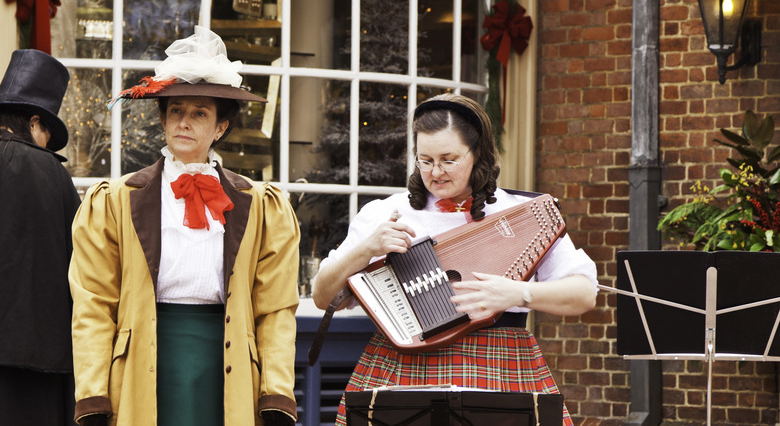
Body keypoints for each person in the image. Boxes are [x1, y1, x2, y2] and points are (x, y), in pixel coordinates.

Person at [312, 93, 598, 426]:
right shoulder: (383, 214)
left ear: (478, 154)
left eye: (449, 159)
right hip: (404, 364)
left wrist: (517, 294)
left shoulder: (520, 215)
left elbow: (584, 294)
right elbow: (322, 297)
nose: (435, 172)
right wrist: (366, 249)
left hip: (499, 362)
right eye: (425, 160)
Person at [69, 27, 300, 426]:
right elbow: (93, 303)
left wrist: (276, 391)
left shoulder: (263, 206)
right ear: (163, 119)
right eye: (176, 111)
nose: (184, 122)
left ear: (220, 128)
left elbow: (276, 308)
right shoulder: (114, 200)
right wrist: (93, 393)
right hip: (144, 359)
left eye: (199, 113)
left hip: (228, 365)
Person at [0, 49, 80, 425]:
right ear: (35, 123)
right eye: (48, 133)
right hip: (40, 369)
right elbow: (84, 267)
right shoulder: (54, 175)